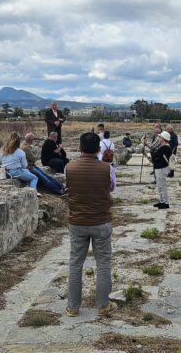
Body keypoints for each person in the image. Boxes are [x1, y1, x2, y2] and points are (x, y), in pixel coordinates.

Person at [64, 132, 117, 317]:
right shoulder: (106, 168)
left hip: (77, 221)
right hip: (101, 220)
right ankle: (103, 305)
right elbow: (111, 187)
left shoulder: (69, 167)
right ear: (98, 149)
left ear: (79, 147)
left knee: (75, 264)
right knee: (103, 263)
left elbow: (69, 187)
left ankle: (72, 307)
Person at [151, 131, 173, 210]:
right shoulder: (164, 147)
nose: (159, 139)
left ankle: (165, 203)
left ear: (163, 139)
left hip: (161, 169)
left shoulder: (165, 148)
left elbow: (155, 156)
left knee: (162, 186)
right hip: (159, 168)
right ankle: (162, 201)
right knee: (160, 186)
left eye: (160, 137)